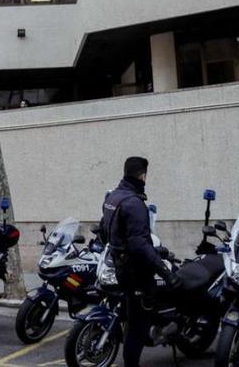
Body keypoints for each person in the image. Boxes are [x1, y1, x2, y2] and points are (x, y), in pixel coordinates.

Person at [99, 157, 179, 367]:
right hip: (137, 274)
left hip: (120, 268)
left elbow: (103, 232)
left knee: (133, 316)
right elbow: (140, 245)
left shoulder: (113, 198)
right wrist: (166, 273)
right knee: (137, 327)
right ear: (142, 175)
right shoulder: (134, 203)